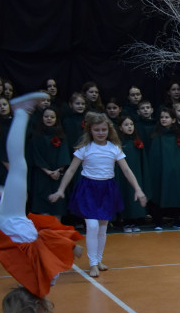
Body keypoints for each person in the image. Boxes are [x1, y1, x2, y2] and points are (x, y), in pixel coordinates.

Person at [0, 93, 84, 313]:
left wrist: (72, 248)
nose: (44, 312)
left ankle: (21, 112)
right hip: (16, 223)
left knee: (18, 166)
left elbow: (47, 247)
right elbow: (46, 244)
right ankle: (3, 194)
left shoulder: (39, 281)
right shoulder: (37, 287)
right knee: (17, 176)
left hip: (13, 222)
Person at [49, 113, 147, 277]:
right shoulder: (85, 149)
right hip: (89, 189)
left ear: (108, 130)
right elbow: (71, 170)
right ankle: (93, 263)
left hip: (107, 189)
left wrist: (138, 188)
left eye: (103, 130)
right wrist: (60, 190)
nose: (101, 133)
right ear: (90, 130)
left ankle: (99, 259)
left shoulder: (114, 148)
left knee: (102, 228)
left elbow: (126, 170)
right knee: (92, 226)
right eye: (97, 130)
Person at [28, 107, 70, 219]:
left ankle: (57, 230)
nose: (49, 119)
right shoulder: (36, 136)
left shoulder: (62, 137)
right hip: (41, 175)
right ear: (41, 118)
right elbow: (35, 155)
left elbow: (64, 155)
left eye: (52, 117)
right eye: (46, 116)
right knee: (43, 204)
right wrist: (47, 171)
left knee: (58, 205)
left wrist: (58, 171)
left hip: (57, 176)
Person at [116, 115, 151, 232]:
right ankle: (125, 221)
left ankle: (135, 221)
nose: (129, 127)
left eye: (131, 124)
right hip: (122, 174)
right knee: (125, 194)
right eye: (126, 125)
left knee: (134, 195)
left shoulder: (137, 142)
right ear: (120, 128)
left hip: (136, 172)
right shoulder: (118, 144)